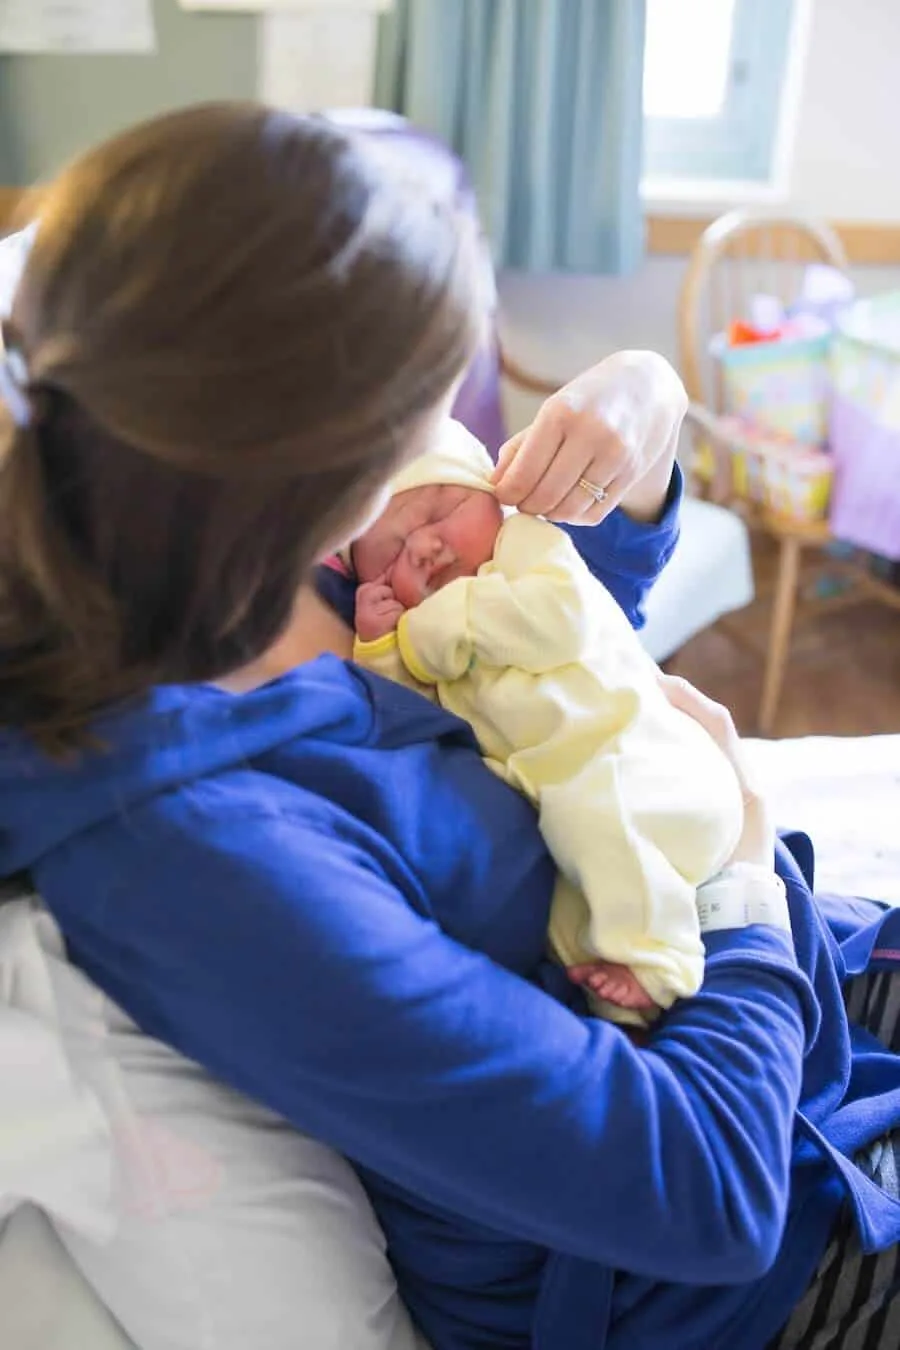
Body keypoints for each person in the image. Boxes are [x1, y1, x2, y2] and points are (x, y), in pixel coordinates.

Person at [0, 104, 899, 1350]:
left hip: (804, 995)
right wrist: (739, 873)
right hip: (748, 1251)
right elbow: (706, 1195)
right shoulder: (197, 860)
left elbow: (533, 673)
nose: (445, 456)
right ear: (308, 457)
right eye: (419, 416)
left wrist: (645, 426)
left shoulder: (233, 574)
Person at [349, 417, 743, 1018]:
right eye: (391, 556)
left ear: (488, 494)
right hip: (583, 807)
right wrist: (381, 649)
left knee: (593, 818)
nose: (424, 547)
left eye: (439, 510)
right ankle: (626, 1000)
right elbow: (417, 715)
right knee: (564, 912)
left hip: (648, 774)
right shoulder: (433, 637)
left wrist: (428, 626)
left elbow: (560, 619)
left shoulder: (526, 549)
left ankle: (662, 960)